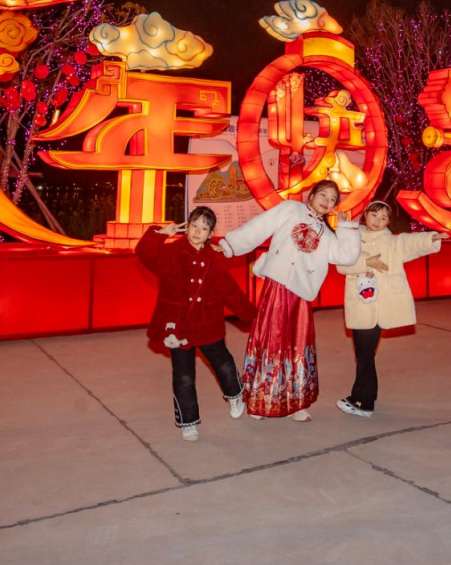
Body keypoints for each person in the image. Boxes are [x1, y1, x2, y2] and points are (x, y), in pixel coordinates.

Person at [218, 180, 361, 421]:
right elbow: (260, 225)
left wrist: (346, 227)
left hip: (301, 294)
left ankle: (296, 403)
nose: (327, 201)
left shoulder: (327, 234)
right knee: (271, 340)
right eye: (323, 195)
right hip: (277, 286)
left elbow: (346, 256)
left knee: (297, 344)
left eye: (332, 200)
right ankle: (262, 399)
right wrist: (230, 245)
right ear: (311, 195)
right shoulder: (290, 209)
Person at [136, 206, 257, 442]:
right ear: (187, 226)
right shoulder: (171, 252)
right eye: (194, 225)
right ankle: (188, 421)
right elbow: (144, 254)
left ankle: (234, 393)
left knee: (223, 363)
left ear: (211, 234)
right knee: (183, 376)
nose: (197, 231)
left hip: (207, 323)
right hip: (177, 326)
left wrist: (251, 315)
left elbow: (230, 291)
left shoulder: (214, 259)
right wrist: (159, 234)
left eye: (204, 228)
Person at [333, 199, 446, 418]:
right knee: (365, 354)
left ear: (388, 222)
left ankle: (362, 402)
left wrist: (430, 238)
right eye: (374, 215)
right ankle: (368, 396)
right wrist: (367, 261)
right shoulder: (354, 238)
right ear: (366, 215)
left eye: (384, 218)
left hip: (382, 307)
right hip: (361, 306)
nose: (378, 221)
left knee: (365, 355)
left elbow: (409, 242)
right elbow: (341, 263)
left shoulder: (391, 242)